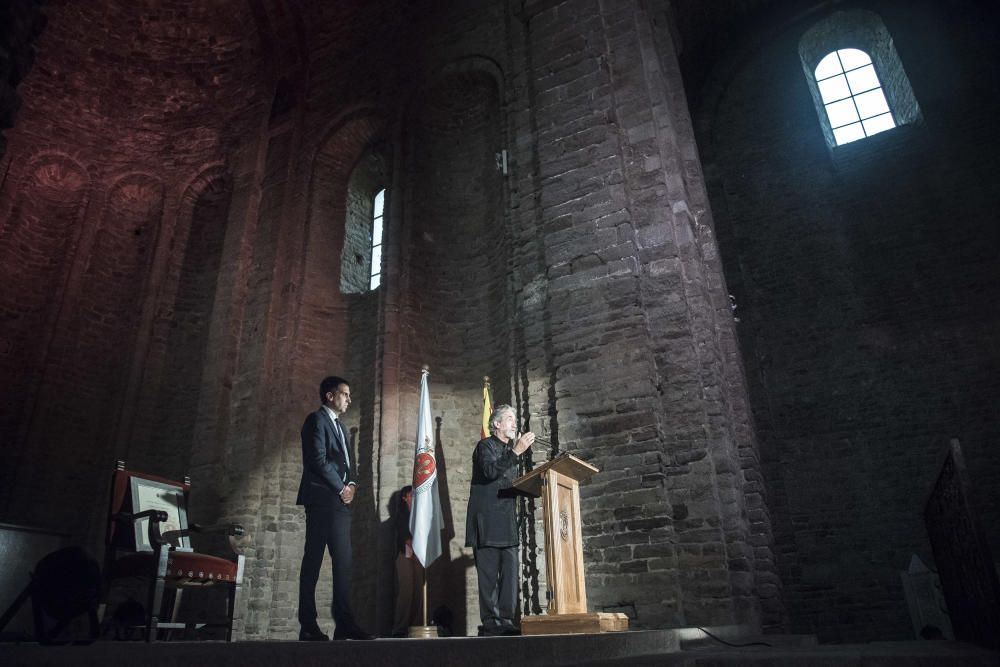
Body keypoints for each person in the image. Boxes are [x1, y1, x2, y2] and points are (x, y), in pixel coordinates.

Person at [296, 375, 373, 641]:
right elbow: (316, 459)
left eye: (349, 395)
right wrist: (341, 487)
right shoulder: (315, 420)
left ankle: (344, 624)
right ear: (329, 395)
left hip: (339, 505)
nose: (349, 399)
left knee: (344, 563)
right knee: (313, 562)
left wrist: (350, 484)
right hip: (320, 501)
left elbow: (348, 465)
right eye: (345, 394)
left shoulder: (341, 427)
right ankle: (308, 625)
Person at [465, 404, 534, 636]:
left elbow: (508, 485)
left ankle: (506, 620)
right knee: (488, 577)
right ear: (495, 424)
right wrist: (516, 452)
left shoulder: (508, 452)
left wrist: (535, 487)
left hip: (507, 524)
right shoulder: (485, 446)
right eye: (509, 419)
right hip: (487, 523)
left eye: (515, 419)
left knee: (510, 577)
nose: (515, 423)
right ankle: (491, 623)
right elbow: (490, 472)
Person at [391, 485, 423, 637]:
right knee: (406, 591)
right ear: (404, 498)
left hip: (418, 557)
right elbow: (406, 537)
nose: (414, 498)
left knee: (418, 590)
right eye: (411, 495)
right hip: (405, 556)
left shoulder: (419, 515)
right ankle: (400, 627)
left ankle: (415, 626)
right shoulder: (401, 516)